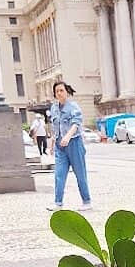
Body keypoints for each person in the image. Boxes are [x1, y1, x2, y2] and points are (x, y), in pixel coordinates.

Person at [48, 80, 92, 212]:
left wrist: (67, 136)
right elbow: (55, 128)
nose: (59, 93)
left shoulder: (73, 107)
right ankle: (58, 203)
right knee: (59, 174)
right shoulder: (54, 108)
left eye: (61, 90)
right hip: (60, 146)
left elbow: (76, 123)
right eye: (57, 91)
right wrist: (51, 143)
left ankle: (86, 201)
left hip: (74, 143)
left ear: (67, 92)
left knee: (80, 174)